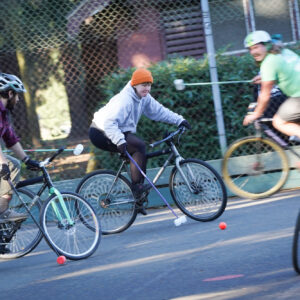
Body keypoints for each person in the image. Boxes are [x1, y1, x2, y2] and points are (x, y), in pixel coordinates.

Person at [89, 68, 191, 214]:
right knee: (138, 146)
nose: (147, 88)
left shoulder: (144, 97)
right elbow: (108, 123)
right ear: (134, 85)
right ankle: (137, 190)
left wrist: (179, 120)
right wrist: (119, 141)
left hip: (116, 130)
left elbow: (159, 111)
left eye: (149, 85)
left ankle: (138, 198)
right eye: (143, 85)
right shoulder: (124, 100)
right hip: (101, 131)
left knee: (139, 150)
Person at [243, 30, 300, 140]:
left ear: (267, 45)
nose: (252, 52)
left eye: (256, 47)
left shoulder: (268, 62)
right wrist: (264, 78)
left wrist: (255, 114)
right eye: (250, 49)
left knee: (279, 122)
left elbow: (265, 95)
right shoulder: (283, 52)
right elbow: (287, 73)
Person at [0, 73, 40, 226]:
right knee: (9, 165)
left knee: (15, 164)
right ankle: (2, 213)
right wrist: (3, 163)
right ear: (10, 93)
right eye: (17, 95)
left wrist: (27, 160)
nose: (18, 99)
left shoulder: (3, 114)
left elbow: (10, 140)